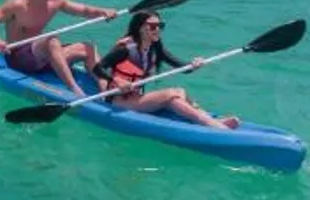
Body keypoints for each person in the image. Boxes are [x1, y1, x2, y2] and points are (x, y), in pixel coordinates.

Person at [0, 0, 119, 97]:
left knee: (88, 49)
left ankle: (107, 91)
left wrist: (103, 11)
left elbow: (84, 10)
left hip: (42, 57)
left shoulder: (57, 1)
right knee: (51, 39)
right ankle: (75, 90)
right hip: (19, 60)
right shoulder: (17, 4)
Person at [92, 10, 240, 129]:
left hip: (136, 96)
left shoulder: (155, 48)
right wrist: (115, 80)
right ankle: (214, 126)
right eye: (152, 26)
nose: (157, 30)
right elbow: (97, 68)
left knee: (179, 93)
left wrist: (194, 64)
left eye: (160, 25)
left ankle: (209, 120)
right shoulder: (124, 49)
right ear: (141, 28)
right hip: (118, 101)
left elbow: (183, 68)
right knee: (171, 94)